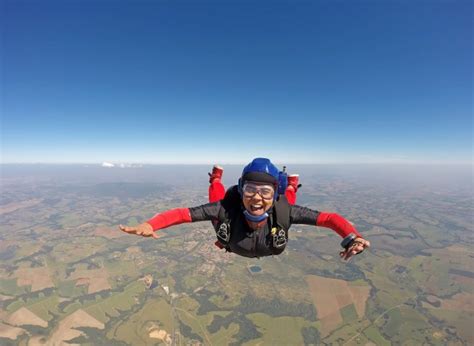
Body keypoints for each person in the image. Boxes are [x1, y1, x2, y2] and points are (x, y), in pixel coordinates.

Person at [119, 158, 370, 260]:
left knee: (289, 203)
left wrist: (352, 236)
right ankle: (216, 178)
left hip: (280, 207)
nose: (257, 198)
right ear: (241, 189)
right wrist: (151, 224)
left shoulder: (282, 210)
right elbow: (183, 214)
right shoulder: (228, 208)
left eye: (265, 192)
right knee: (216, 206)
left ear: (274, 193)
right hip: (233, 228)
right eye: (250, 189)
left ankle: (290, 184)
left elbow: (329, 219)